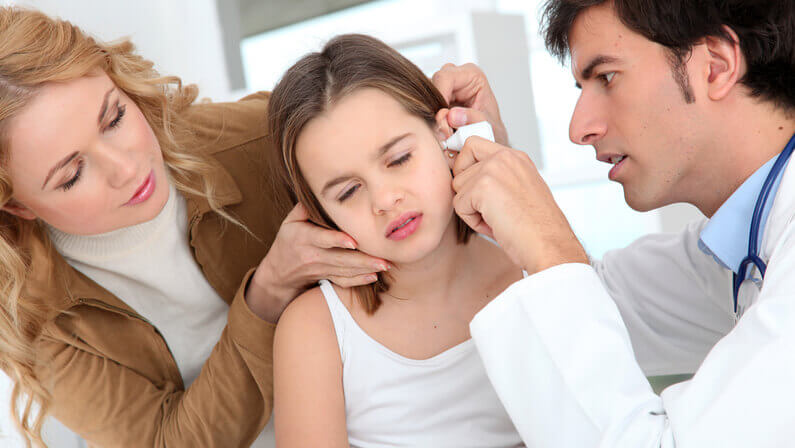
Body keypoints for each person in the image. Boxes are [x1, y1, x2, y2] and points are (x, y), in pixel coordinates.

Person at [0, 7, 393, 447]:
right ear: (17, 206)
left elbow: (402, 150)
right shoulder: (31, 314)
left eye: (114, 119)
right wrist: (267, 294)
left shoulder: (256, 141)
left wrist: (469, 127)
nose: (127, 168)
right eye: (71, 174)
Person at [433, 0, 795, 446]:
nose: (578, 128)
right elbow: (594, 301)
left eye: (606, 77)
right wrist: (498, 181)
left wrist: (546, 243)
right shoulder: (742, 245)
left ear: (716, 66)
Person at [267, 34, 525, 447]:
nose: (385, 200)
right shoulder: (316, 329)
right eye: (348, 192)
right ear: (318, 215)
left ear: (445, 136)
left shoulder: (534, 274)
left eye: (399, 159)